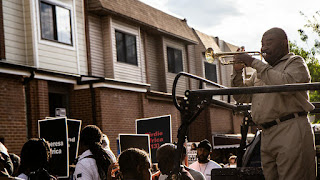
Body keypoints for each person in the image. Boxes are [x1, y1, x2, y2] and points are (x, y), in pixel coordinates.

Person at [231, 27, 316, 180]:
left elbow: (286, 85)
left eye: (269, 42)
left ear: (284, 43)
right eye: (262, 43)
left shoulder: (295, 62)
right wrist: (237, 72)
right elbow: (242, 96)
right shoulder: (260, 72)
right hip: (266, 133)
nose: (263, 48)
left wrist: (252, 62)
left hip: (290, 128)